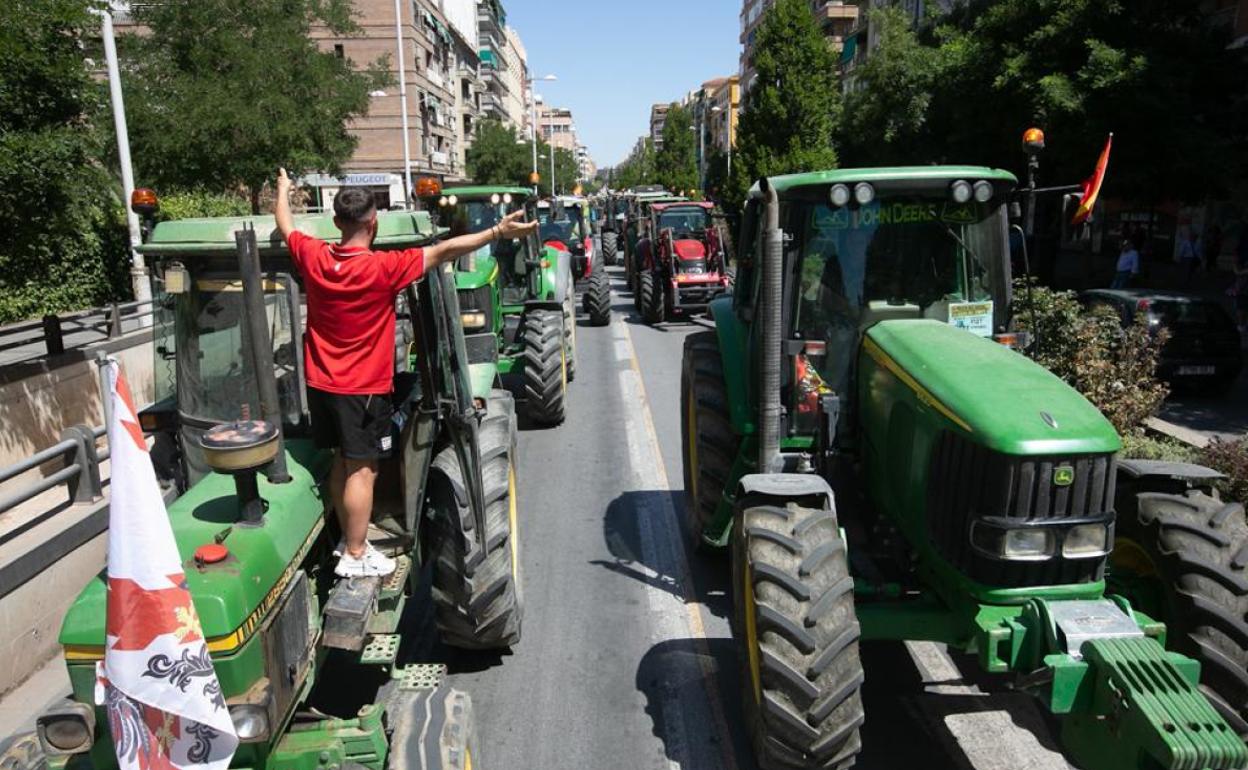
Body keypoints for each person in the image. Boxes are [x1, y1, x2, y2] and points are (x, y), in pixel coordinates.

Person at [273, 169, 537, 577]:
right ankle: (357, 553)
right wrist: (496, 233)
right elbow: (447, 250)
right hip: (361, 389)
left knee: (340, 462)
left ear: (336, 224)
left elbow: (285, 224)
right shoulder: (384, 268)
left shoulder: (316, 257)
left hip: (320, 384)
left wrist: (283, 190)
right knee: (364, 469)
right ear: (373, 223)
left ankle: (347, 536)